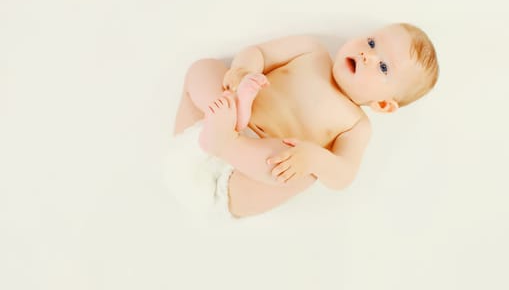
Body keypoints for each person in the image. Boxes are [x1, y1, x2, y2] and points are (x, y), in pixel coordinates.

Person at [165, 23, 439, 219]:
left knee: (299, 173)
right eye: (371, 42)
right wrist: (242, 71)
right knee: (204, 69)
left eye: (383, 67)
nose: (369, 53)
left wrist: (313, 158)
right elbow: (259, 52)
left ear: (382, 104)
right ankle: (228, 128)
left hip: (244, 172)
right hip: (217, 117)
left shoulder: (357, 125)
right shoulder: (312, 51)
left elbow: (343, 174)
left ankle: (226, 143)